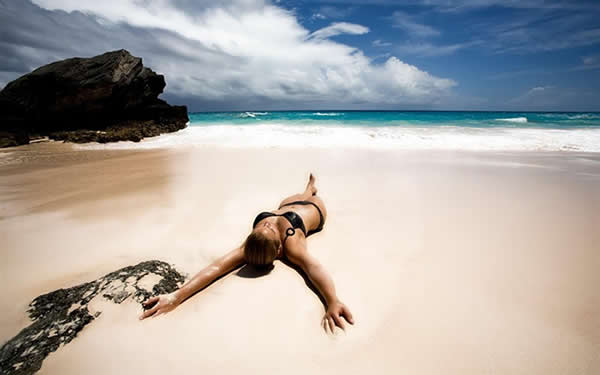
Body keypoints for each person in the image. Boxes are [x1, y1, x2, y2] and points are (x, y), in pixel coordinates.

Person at [140, 174, 354, 333]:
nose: (267, 224)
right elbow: (313, 268)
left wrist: (176, 295)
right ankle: (311, 193)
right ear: (278, 250)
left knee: (292, 198)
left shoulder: (253, 244)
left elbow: (216, 267)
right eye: (266, 229)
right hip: (315, 208)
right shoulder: (291, 246)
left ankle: (309, 188)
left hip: (287, 205)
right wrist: (333, 301)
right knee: (307, 198)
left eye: (262, 227)